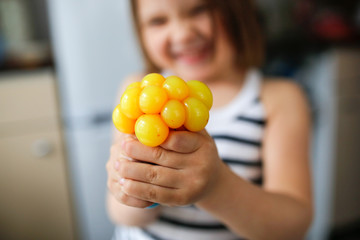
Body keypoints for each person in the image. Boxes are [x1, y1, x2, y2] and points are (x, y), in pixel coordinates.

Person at [106, 0, 313, 239]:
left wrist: (216, 187)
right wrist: (139, 191)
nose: (183, 34)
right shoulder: (140, 92)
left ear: (238, 10)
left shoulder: (280, 99)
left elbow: (294, 225)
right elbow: (118, 212)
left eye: (199, 9)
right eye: (158, 20)